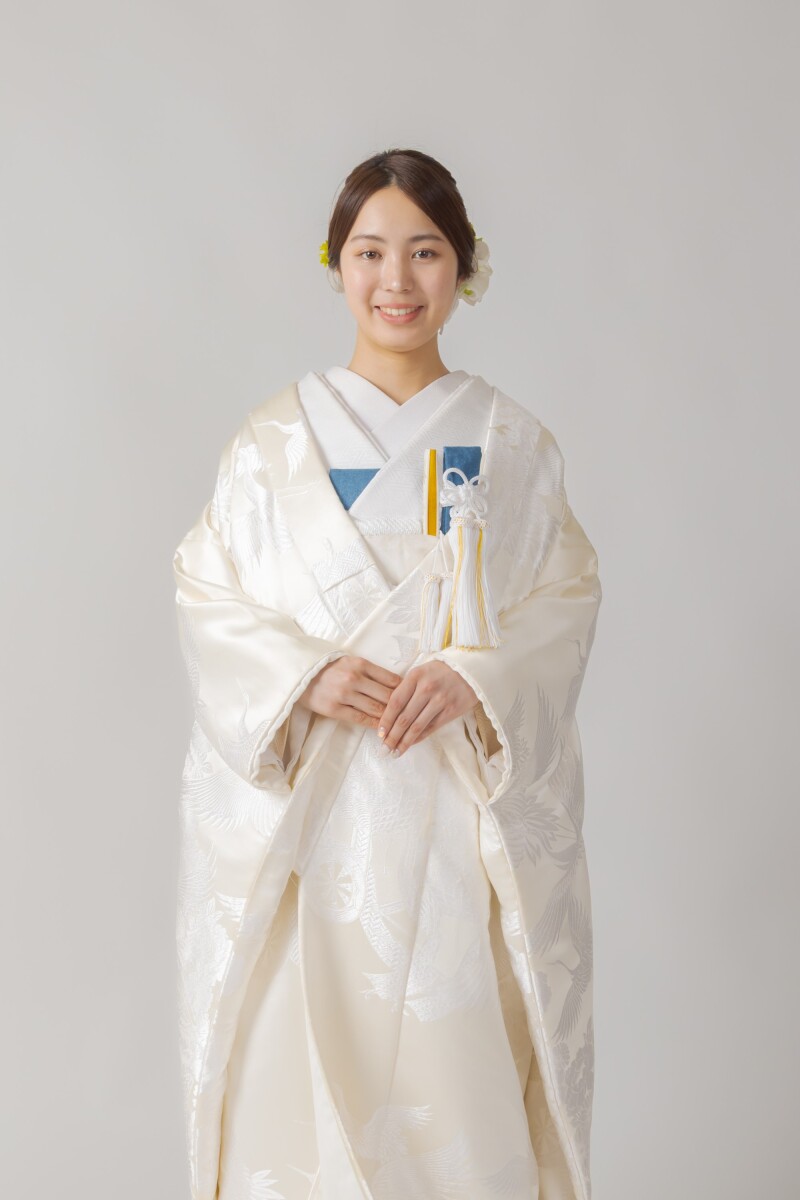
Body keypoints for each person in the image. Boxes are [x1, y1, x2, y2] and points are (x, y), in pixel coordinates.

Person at [172, 147, 603, 1200]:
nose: (395, 281)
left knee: (454, 1094)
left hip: (452, 823)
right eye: (369, 252)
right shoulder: (270, 446)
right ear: (336, 264)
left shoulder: (512, 446)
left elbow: (563, 598)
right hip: (309, 828)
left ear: (464, 266)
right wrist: (298, 675)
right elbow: (206, 591)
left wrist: (476, 678)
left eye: (425, 251)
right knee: (295, 1101)